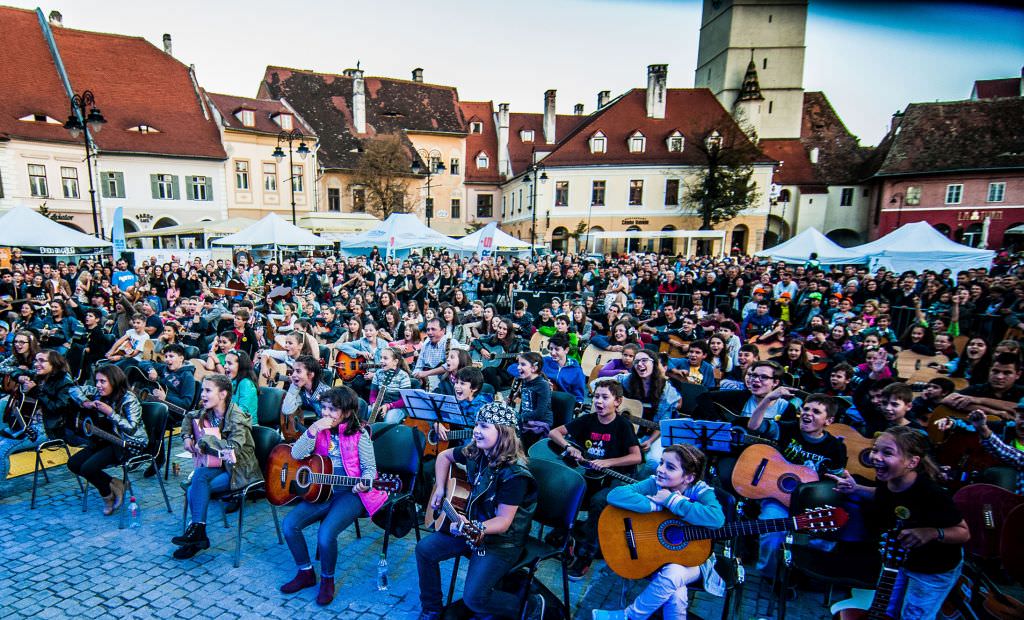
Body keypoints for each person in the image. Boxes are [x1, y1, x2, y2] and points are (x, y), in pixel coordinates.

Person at [828, 427, 969, 620]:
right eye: (875, 450)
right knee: (887, 610)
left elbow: (963, 532)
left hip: (933, 567)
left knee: (914, 615)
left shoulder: (931, 493)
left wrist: (931, 532)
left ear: (912, 462)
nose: (875, 457)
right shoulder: (891, 481)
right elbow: (883, 495)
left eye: (887, 453)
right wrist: (856, 489)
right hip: (899, 559)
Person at [416, 402, 540, 620]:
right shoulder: (478, 452)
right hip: (472, 527)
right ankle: (432, 609)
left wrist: (472, 527)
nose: (476, 431)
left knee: (475, 599)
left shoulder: (515, 475)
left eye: (484, 426)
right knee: (424, 550)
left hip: (500, 542)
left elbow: (503, 521)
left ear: (503, 432)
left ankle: (528, 606)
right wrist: (441, 488)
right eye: (476, 425)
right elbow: (444, 457)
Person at [279, 386, 388, 606]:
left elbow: (370, 470)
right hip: (322, 490)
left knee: (326, 533)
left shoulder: (360, 435)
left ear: (346, 412)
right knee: (290, 524)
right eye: (324, 408)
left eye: (332, 410)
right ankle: (306, 572)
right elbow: (296, 454)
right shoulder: (318, 430)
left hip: (350, 494)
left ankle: (327, 580)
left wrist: (364, 484)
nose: (326, 414)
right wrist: (312, 431)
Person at [592, 444, 726, 620]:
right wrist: (654, 505)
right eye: (662, 462)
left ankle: (630, 616)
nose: (660, 469)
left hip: (695, 560)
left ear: (688, 477)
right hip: (659, 554)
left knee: (674, 574)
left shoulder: (701, 491)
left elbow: (716, 519)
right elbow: (615, 495)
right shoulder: (655, 482)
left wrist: (672, 501)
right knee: (677, 596)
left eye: (670, 467)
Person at [548, 379, 642, 580]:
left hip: (619, 475)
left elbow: (636, 457)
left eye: (605, 397)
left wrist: (608, 462)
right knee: (568, 489)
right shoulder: (588, 420)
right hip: (592, 474)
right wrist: (568, 446)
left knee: (599, 502)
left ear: (617, 401)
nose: (599, 401)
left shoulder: (623, 425)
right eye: (596, 396)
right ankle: (568, 536)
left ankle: (585, 556)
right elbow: (554, 432)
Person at [746, 391, 847, 573]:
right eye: (806, 409)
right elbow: (754, 425)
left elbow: (835, 480)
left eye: (816, 412)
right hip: (777, 494)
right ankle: (769, 575)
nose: (808, 413)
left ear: (829, 421)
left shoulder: (835, 447)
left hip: (811, 502)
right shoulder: (788, 428)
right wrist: (769, 398)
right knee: (771, 528)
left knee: (828, 536)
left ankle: (806, 572)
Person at [173, 374, 261, 559]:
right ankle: (198, 534)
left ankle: (197, 535)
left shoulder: (237, 417)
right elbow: (189, 417)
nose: (202, 395)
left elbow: (233, 448)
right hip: (218, 465)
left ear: (223, 394)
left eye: (207, 390)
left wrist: (205, 441)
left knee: (194, 490)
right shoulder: (208, 411)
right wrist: (187, 436)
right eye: (202, 390)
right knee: (198, 481)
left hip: (239, 470)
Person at [67, 365, 147, 516]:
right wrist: (85, 402)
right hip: (105, 438)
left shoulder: (129, 399)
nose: (98, 385)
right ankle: (115, 483)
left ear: (114, 381)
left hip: (126, 443)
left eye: (103, 381)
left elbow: (131, 427)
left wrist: (110, 413)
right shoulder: (99, 393)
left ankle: (107, 497)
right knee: (73, 463)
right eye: (97, 381)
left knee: (88, 468)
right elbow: (73, 389)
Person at [0, 350, 78, 483]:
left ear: (54, 363)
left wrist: (36, 391)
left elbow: (57, 407)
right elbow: (13, 371)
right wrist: (19, 376)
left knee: (2, 449)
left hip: (49, 428)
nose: (37, 364)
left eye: (42, 361)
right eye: (36, 360)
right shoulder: (39, 375)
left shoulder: (64, 381)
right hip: (27, 423)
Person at [617, 349, 680, 474]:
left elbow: (663, 422)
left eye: (644, 360)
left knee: (654, 462)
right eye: (636, 362)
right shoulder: (627, 381)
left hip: (653, 433)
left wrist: (650, 441)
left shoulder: (666, 390)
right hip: (628, 430)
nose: (640, 364)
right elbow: (597, 383)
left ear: (654, 364)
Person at [512, 352, 553, 449]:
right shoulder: (525, 381)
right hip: (527, 421)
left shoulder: (543, 385)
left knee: (513, 441)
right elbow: (524, 407)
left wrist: (518, 417)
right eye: (519, 364)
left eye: (522, 364)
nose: (518, 367)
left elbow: (540, 413)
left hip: (539, 424)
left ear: (534, 368)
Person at [371, 347, 414, 424]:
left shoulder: (403, 376)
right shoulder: (378, 373)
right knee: (366, 412)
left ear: (395, 362)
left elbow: (404, 400)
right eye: (381, 358)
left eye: (385, 358)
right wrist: (374, 404)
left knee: (389, 420)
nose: (381, 361)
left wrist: (388, 406)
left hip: (397, 406)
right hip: (380, 404)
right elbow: (373, 394)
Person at [225, 350, 259, 425]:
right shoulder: (232, 381)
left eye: (229, 363)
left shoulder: (246, 383)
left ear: (241, 366)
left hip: (246, 427)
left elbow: (241, 411)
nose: (225, 366)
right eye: (225, 363)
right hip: (232, 423)